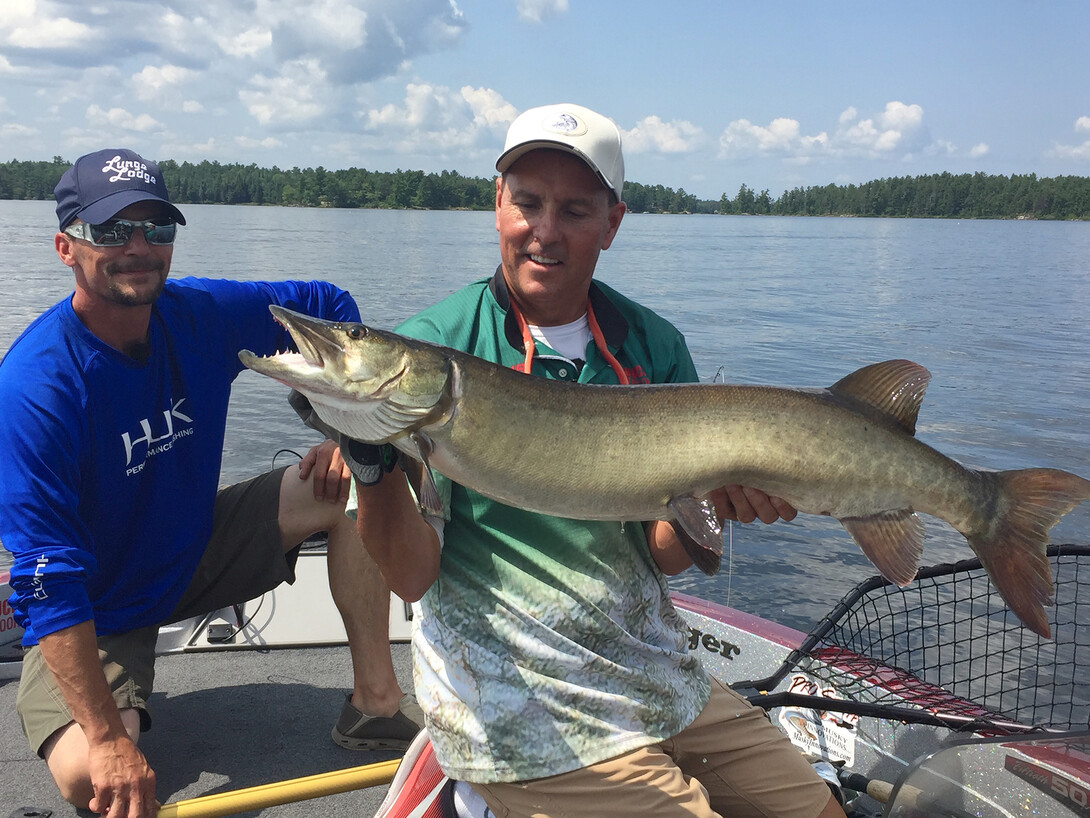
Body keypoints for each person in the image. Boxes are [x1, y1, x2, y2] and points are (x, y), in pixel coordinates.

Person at [347, 104, 848, 818]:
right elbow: (411, 573)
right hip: (513, 705)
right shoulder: (435, 350)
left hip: (655, 677)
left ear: (612, 222)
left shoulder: (651, 343)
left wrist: (722, 501)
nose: (544, 231)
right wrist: (370, 466)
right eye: (527, 203)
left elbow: (666, 555)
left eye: (574, 210)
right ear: (497, 204)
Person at [0, 149, 422, 818]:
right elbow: (48, 581)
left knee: (351, 488)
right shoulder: (37, 386)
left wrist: (344, 427)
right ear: (65, 247)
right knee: (87, 776)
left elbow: (329, 307)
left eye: (156, 229)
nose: (138, 248)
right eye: (111, 232)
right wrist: (109, 737)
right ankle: (117, 710)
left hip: (194, 549)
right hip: (100, 604)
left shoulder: (200, 315)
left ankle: (374, 705)